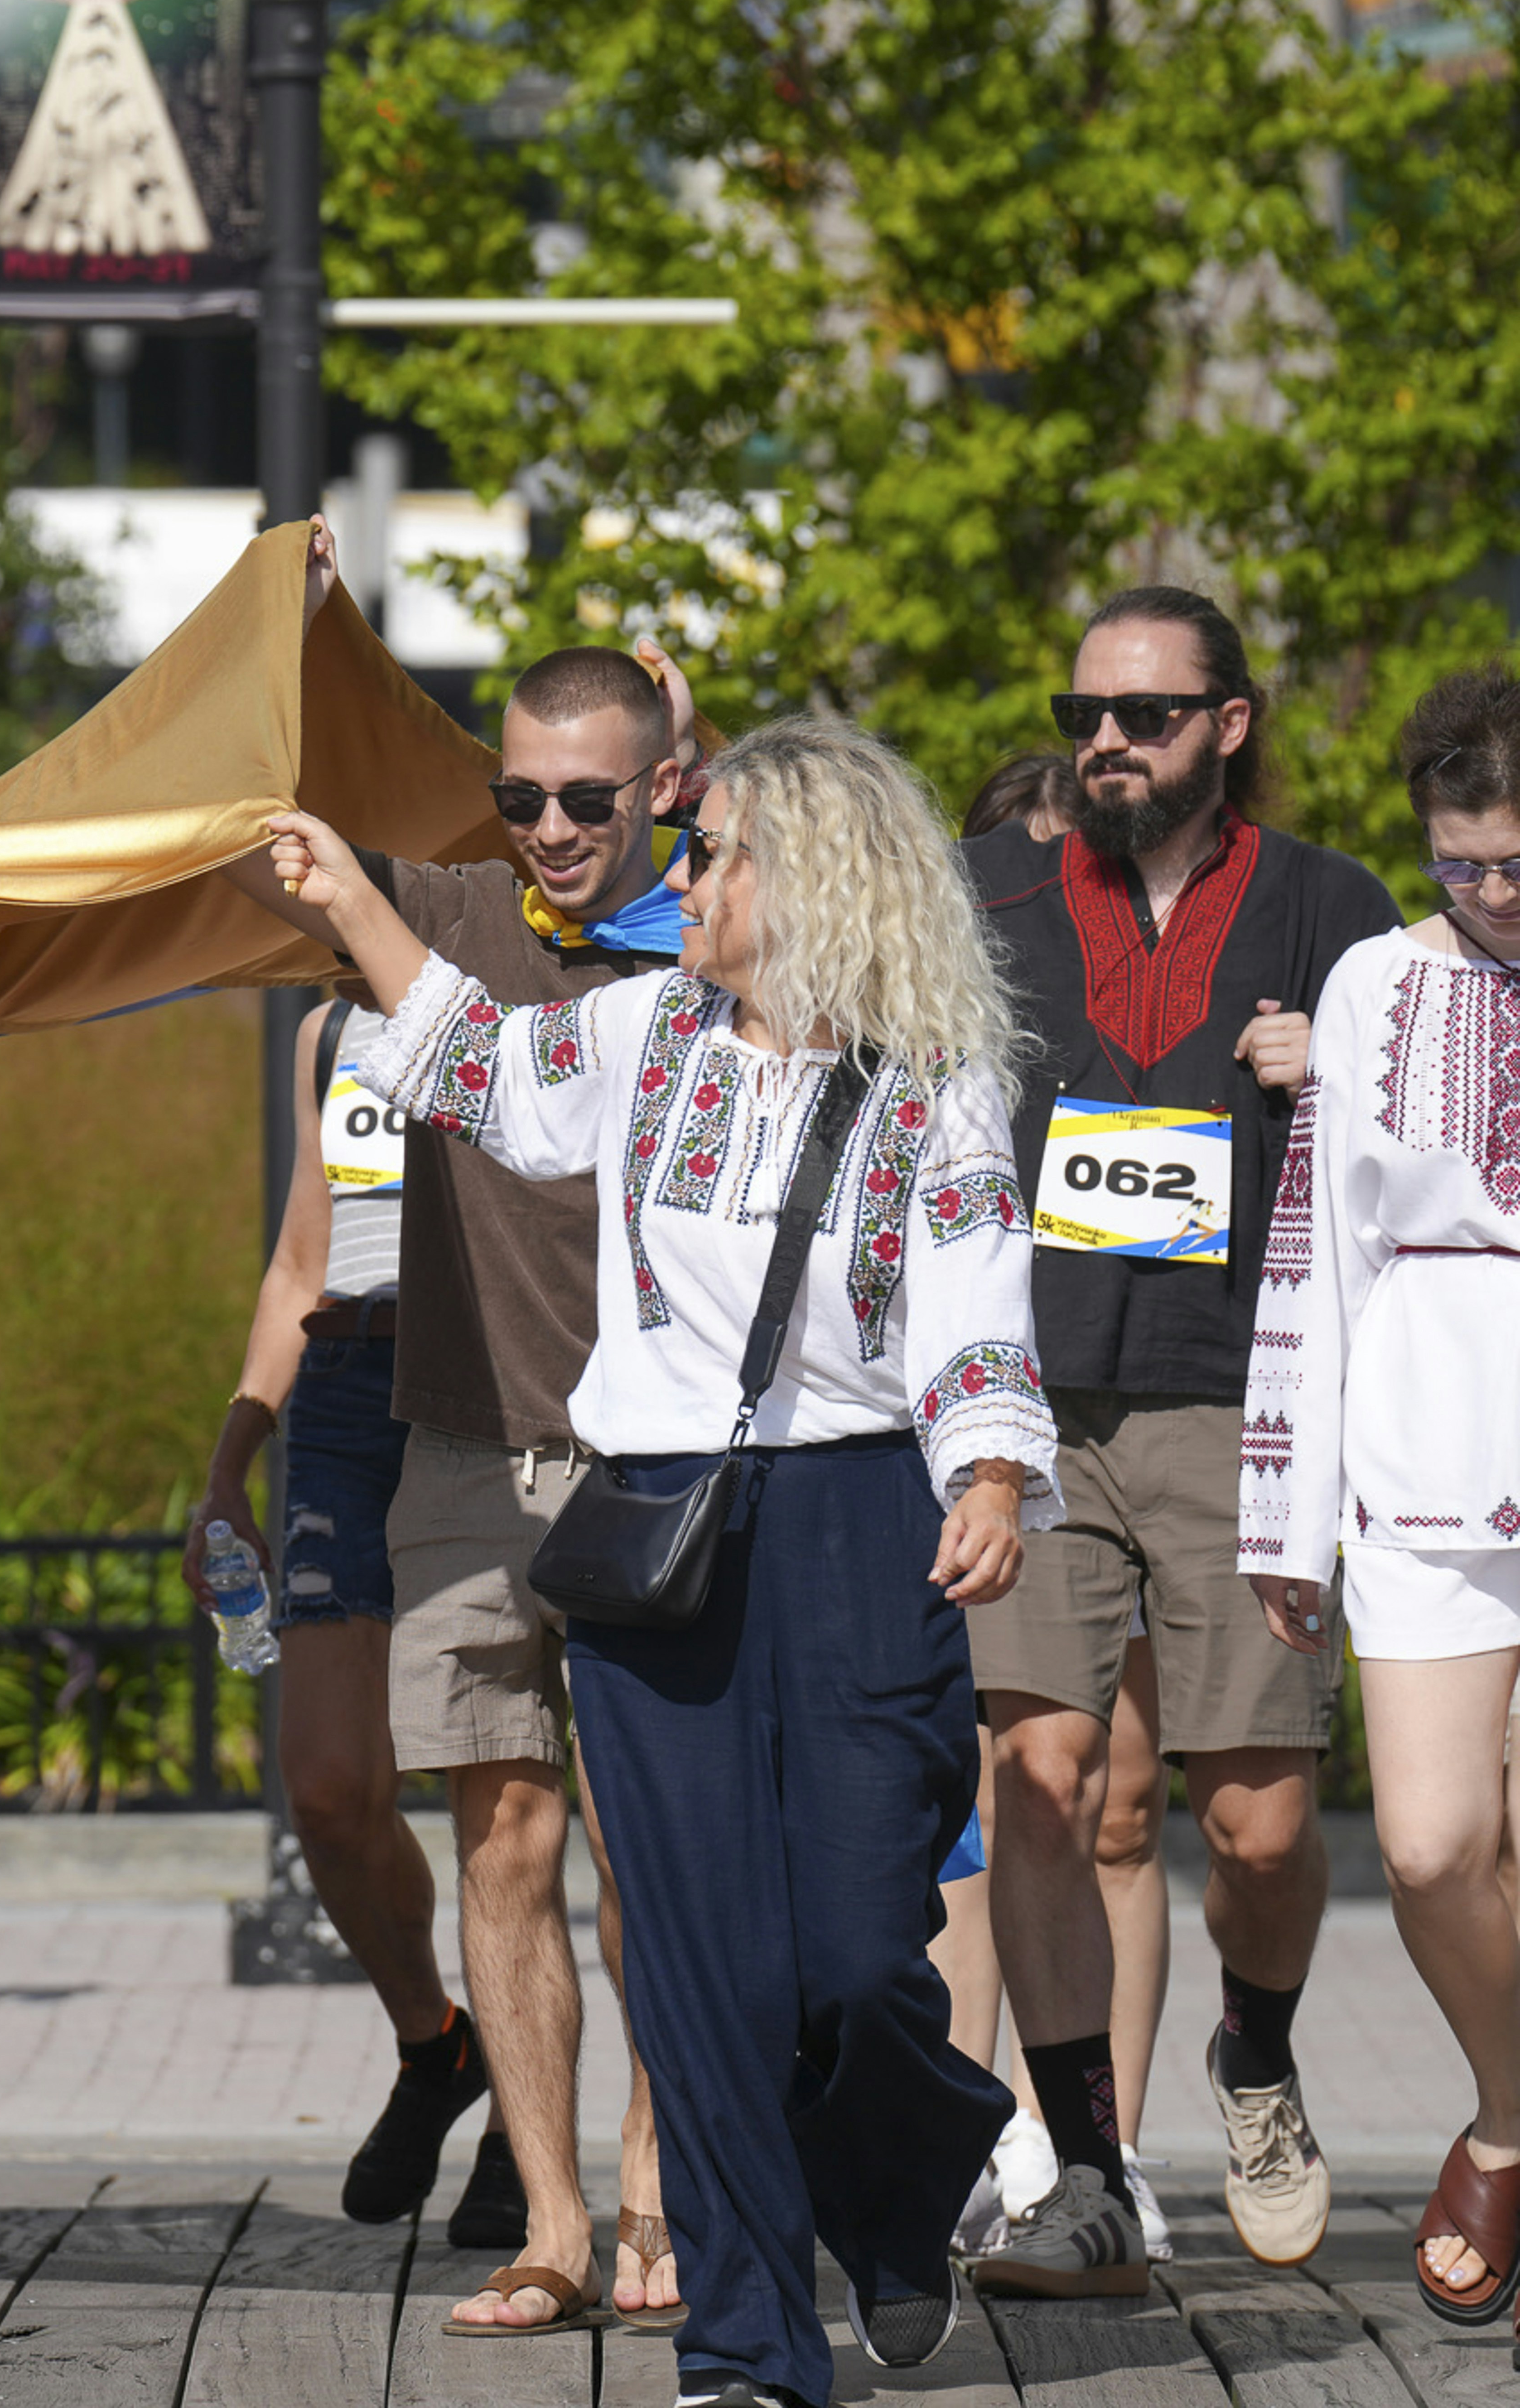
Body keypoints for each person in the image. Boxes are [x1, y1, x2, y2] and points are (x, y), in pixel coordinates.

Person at [265, 712, 1049, 2408]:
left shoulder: (938, 1080)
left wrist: (986, 1470)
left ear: (815, 878)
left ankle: (905, 2192)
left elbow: (978, 1299)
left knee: (853, 1956)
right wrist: (349, 901)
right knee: (702, 1969)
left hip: (863, 1531)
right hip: (658, 1533)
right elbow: (475, 1067)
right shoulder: (641, 1030)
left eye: (713, 854)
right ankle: (749, 2345)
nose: (678, 880)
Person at [210, 531, 688, 2326]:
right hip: (462, 1440)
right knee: (501, 1839)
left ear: (656, 793)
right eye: (520, 794)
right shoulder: (454, 920)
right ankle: (551, 2228)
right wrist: (313, 621)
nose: (550, 826)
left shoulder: (714, 943)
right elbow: (295, 819)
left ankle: (652, 2202)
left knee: (650, 1854)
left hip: (654, 1452)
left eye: (586, 797)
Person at [966, 588, 1400, 2280]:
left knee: (1261, 1825)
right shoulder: (989, 894)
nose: (1107, 741)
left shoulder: (1336, 912)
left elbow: (1432, 1122)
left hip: (1243, 1401)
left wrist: (1341, 1074)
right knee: (1041, 1778)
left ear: (1232, 722)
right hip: (1036, 1404)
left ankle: (1263, 2050)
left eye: (1147, 715)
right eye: (1088, 710)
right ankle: (1082, 2168)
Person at [1241, 664, 1520, 2334]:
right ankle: (1514, 2100)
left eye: (1516, 861)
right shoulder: (1368, 984)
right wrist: (1290, 1507)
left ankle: (1494, 2147)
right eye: (1462, 862)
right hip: (1419, 1457)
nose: (1488, 893)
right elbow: (1318, 1253)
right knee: (1426, 1848)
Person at [180, 991, 504, 2240]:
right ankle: (437, 2046)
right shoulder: (325, 1031)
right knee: (326, 1785)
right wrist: (229, 1461)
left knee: (504, 1795)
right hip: (340, 1391)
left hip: (488, 1387)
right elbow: (300, 1263)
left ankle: (534, 2134)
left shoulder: (515, 993)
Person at [939, 747, 1178, 2259]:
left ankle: (1113, 2154)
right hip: (989, 1412)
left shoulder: (1163, 989)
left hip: (1144, 1395)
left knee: (1125, 1804)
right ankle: (973, 2142)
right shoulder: (958, 1002)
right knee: (1002, 1800)